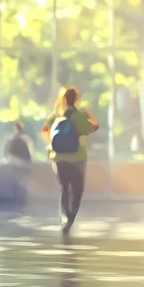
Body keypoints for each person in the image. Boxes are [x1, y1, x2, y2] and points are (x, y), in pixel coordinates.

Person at [42, 87, 100, 235]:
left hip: (58, 157)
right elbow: (92, 128)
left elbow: (44, 130)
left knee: (64, 188)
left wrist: (51, 144)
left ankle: (64, 215)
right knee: (78, 189)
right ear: (77, 99)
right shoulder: (79, 116)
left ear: (63, 98)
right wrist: (90, 116)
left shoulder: (55, 115)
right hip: (77, 158)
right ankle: (70, 219)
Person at [3, 120, 34, 204]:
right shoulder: (26, 139)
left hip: (14, 163)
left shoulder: (12, 139)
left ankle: (15, 200)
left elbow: (6, 152)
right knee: (23, 183)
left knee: (15, 182)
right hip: (24, 163)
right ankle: (22, 201)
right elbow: (30, 153)